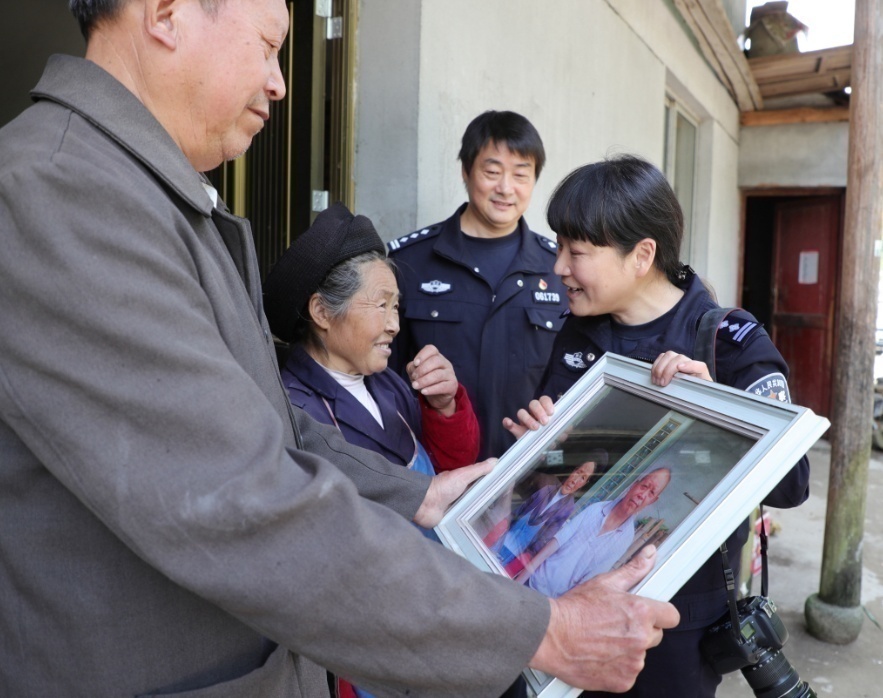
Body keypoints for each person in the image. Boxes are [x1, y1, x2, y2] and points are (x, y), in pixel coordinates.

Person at [0, 3, 680, 697]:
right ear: (168, 14)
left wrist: (418, 495)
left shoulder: (151, 197)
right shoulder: (62, 192)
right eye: (267, 47)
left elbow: (257, 420)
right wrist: (542, 631)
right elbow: (237, 495)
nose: (279, 83)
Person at [503, 155, 810, 698]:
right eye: (558, 248)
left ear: (642, 254)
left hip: (675, 626)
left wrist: (717, 408)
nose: (559, 268)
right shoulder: (578, 334)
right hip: (572, 608)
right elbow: (553, 470)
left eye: (576, 252)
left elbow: (793, 483)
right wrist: (539, 443)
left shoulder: (730, 340)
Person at [388, 110, 569, 460]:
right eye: (492, 172)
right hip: (435, 470)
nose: (505, 188)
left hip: (526, 471)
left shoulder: (558, 269)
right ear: (466, 171)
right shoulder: (410, 261)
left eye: (521, 174)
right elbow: (386, 378)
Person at [263, 202, 480, 482]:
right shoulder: (295, 410)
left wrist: (444, 406)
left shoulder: (388, 383)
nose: (395, 326)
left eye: (395, 307)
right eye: (381, 305)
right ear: (322, 312)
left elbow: (451, 471)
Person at [519, 469, 672, 599]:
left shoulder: (625, 538)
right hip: (531, 581)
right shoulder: (595, 510)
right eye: (644, 486)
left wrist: (559, 611)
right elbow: (551, 546)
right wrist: (518, 583)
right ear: (634, 485)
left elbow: (588, 583)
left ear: (652, 501)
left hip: (553, 603)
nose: (642, 495)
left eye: (651, 493)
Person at [490, 451, 608, 575]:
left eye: (583, 478)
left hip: (515, 555)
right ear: (573, 470)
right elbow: (516, 508)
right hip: (500, 537)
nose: (575, 481)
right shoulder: (547, 482)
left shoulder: (568, 508)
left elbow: (543, 540)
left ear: (585, 484)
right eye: (578, 472)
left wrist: (521, 560)